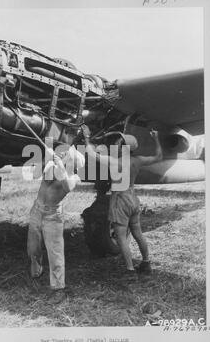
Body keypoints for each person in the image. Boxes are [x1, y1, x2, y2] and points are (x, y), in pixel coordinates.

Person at [82, 125, 163, 277]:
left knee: (120, 236)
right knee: (138, 233)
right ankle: (146, 263)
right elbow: (159, 156)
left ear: (125, 147)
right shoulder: (138, 160)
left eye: (119, 142)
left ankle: (130, 270)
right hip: (133, 198)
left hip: (120, 200)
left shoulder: (115, 162)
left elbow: (92, 155)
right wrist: (156, 138)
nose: (116, 143)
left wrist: (86, 137)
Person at [27, 145, 85, 299]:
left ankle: (58, 288)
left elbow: (67, 186)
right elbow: (35, 174)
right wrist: (46, 159)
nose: (63, 153)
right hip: (37, 210)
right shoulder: (52, 166)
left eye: (67, 154)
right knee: (33, 247)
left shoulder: (74, 177)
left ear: (72, 162)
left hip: (53, 216)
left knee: (55, 253)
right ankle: (36, 271)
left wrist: (59, 164)